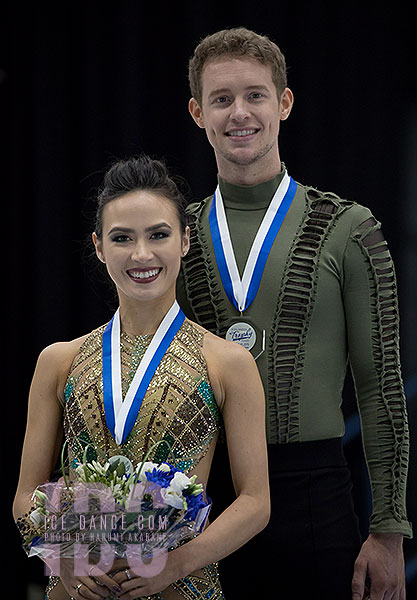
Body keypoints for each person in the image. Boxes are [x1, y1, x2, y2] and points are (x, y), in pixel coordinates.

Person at [177, 27, 412, 599]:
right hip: (201, 499)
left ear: (284, 103)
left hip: (315, 500)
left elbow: (381, 388)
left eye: (256, 95)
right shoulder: (171, 236)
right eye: (222, 98)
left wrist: (389, 531)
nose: (240, 113)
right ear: (196, 112)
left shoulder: (351, 228)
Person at [13, 154, 270, 600]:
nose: (141, 254)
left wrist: (175, 564)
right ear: (98, 246)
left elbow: (255, 502)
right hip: (77, 588)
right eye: (122, 238)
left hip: (181, 585)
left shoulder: (227, 363)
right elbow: (26, 495)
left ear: (186, 240)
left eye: (158, 235)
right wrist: (64, 558)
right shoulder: (59, 361)